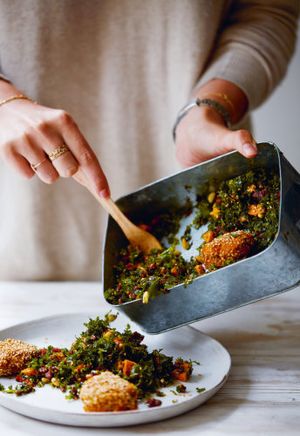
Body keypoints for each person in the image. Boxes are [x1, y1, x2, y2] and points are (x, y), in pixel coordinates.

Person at [0, 0, 298, 280]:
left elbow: (266, 11)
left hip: (224, 247)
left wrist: (209, 108)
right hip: (29, 240)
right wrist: (5, 103)